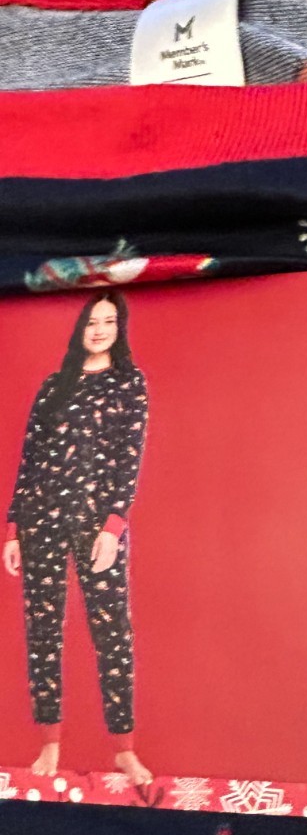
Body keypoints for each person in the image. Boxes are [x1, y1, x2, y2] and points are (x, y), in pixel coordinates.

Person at [2, 291, 152, 784]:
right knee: (44, 633)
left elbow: (129, 457)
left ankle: (124, 749)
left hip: (96, 525)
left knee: (113, 634)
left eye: (109, 321)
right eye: (92, 322)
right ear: (79, 328)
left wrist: (114, 525)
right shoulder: (54, 386)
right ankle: (50, 743)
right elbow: (29, 460)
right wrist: (13, 529)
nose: (100, 330)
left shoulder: (129, 383)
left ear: (119, 327)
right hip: (41, 520)